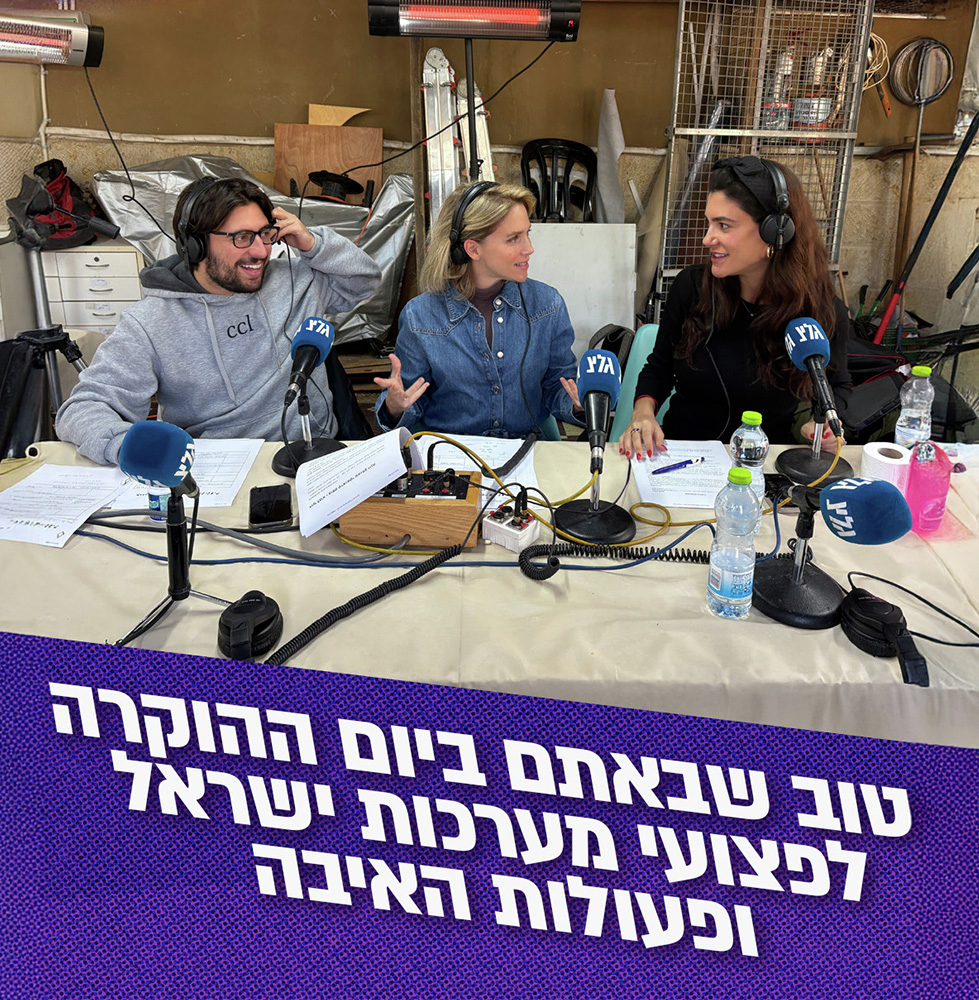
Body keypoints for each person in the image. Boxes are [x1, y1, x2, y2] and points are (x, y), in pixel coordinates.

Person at [56, 176, 381, 465]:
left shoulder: (296, 280)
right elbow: (85, 407)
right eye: (242, 237)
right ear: (195, 244)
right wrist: (127, 446)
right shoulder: (151, 323)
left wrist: (314, 245)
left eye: (265, 234)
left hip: (315, 452)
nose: (261, 251)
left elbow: (364, 282)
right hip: (221, 473)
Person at [619, 156, 852, 458]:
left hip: (764, 465)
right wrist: (643, 413)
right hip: (680, 457)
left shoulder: (820, 312)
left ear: (774, 231)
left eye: (724, 226)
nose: (707, 239)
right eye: (709, 223)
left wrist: (826, 426)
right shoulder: (691, 289)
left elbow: (838, 386)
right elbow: (659, 368)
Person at [373, 181, 582, 438]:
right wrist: (395, 407)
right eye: (513, 238)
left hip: (527, 449)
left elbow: (558, 388)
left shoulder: (548, 305)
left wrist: (580, 403)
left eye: (528, 233)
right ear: (473, 249)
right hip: (451, 451)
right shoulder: (420, 317)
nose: (529, 248)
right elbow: (409, 398)